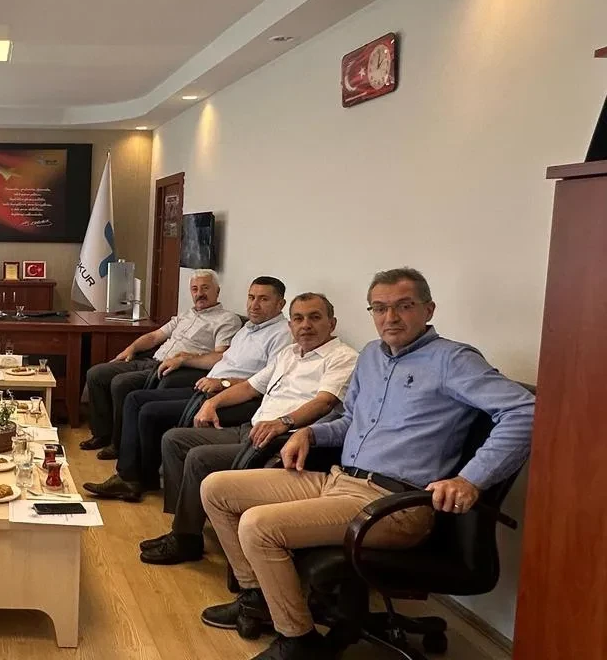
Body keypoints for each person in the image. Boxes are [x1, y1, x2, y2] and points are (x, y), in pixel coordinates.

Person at [199, 269, 535, 660]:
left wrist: (471, 479)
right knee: (217, 488)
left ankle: (299, 643)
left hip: (394, 503)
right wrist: (309, 433)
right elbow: (350, 420)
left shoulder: (452, 359)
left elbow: (525, 411)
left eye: (404, 306)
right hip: (340, 482)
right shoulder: (373, 356)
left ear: (428, 309)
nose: (390, 317)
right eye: (380, 308)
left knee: (258, 525)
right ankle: (258, 599)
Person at [136, 293, 358, 565]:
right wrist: (212, 403)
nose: (305, 325)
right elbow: (250, 387)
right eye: (298, 319)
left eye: (315, 317)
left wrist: (283, 422)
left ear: (331, 323)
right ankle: (185, 523)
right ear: (290, 325)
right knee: (175, 440)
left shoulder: (343, 357)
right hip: (251, 428)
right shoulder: (288, 354)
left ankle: (185, 539)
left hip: (282, 440)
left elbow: (325, 402)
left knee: (199, 457)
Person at [82, 277, 291, 503]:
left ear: (280, 304)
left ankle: (131, 479)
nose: (254, 305)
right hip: (207, 387)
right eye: (251, 297)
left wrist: (224, 383)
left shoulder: (282, 335)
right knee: (134, 399)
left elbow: (269, 382)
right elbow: (221, 358)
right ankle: (135, 476)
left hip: (232, 398)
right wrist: (186, 358)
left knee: (150, 411)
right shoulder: (249, 328)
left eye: (263, 299)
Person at [81, 269, 243, 459]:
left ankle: (118, 445)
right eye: (195, 289)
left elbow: (221, 356)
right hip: (151, 360)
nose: (199, 293)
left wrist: (186, 358)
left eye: (205, 288)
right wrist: (131, 348)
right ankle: (102, 434)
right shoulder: (185, 315)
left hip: (173, 369)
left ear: (217, 291)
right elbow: (155, 336)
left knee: (121, 383)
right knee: (96, 374)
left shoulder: (227, 319)